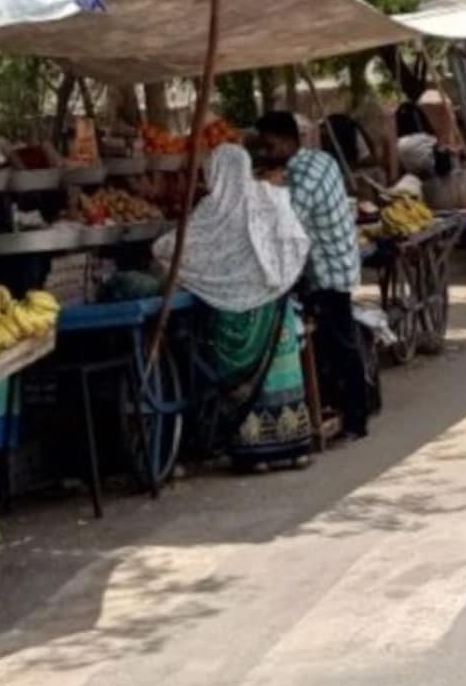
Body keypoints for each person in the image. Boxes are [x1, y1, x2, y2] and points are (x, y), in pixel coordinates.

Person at [154, 144, 314, 469]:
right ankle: (293, 447)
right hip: (273, 311)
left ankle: (256, 454)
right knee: (279, 374)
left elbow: (173, 248)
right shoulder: (268, 199)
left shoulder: (213, 212)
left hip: (231, 314)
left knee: (240, 379)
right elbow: (297, 239)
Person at [253, 111, 373, 439]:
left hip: (328, 271)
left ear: (289, 141)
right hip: (333, 264)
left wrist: (264, 190)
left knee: (341, 343)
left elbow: (286, 221)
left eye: (269, 146)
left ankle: (355, 419)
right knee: (332, 343)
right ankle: (340, 407)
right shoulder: (319, 160)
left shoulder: (302, 175)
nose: (264, 153)